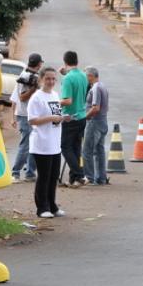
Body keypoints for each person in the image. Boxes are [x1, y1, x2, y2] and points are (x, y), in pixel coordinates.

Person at [27, 67, 69, 218]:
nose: (51, 82)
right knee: (44, 177)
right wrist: (51, 118)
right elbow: (32, 120)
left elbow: (56, 115)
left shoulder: (55, 95)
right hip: (41, 143)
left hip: (54, 143)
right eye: (48, 79)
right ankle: (42, 207)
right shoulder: (36, 98)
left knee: (53, 177)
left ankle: (52, 205)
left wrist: (63, 118)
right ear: (41, 79)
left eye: (53, 79)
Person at [10, 53, 42, 182]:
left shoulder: (30, 76)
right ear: (39, 64)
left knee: (34, 144)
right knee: (26, 146)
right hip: (25, 115)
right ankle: (15, 173)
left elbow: (14, 98)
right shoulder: (25, 76)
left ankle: (30, 173)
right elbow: (22, 97)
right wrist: (34, 89)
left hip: (33, 115)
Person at [59, 51, 88, 186]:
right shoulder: (83, 75)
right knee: (76, 147)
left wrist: (54, 102)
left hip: (70, 117)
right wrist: (65, 74)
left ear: (65, 62)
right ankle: (74, 178)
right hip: (82, 116)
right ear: (77, 61)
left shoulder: (68, 79)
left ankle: (79, 174)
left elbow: (68, 100)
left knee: (65, 147)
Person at [82, 66, 110, 185]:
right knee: (99, 151)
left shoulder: (96, 88)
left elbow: (95, 108)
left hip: (94, 122)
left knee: (87, 151)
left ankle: (89, 177)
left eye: (85, 76)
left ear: (90, 76)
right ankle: (101, 177)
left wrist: (84, 117)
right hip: (102, 121)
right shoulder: (102, 86)